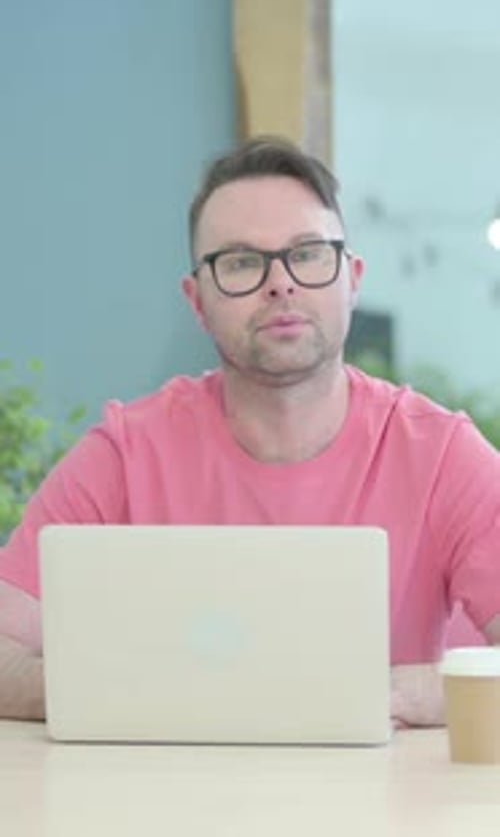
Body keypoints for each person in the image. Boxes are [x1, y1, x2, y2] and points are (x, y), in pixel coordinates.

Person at [1, 136, 500, 725]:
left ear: (352, 278)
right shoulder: (125, 455)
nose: (281, 283)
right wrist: (164, 691)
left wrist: (389, 693)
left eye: (309, 253)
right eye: (240, 262)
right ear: (198, 301)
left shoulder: (441, 453)